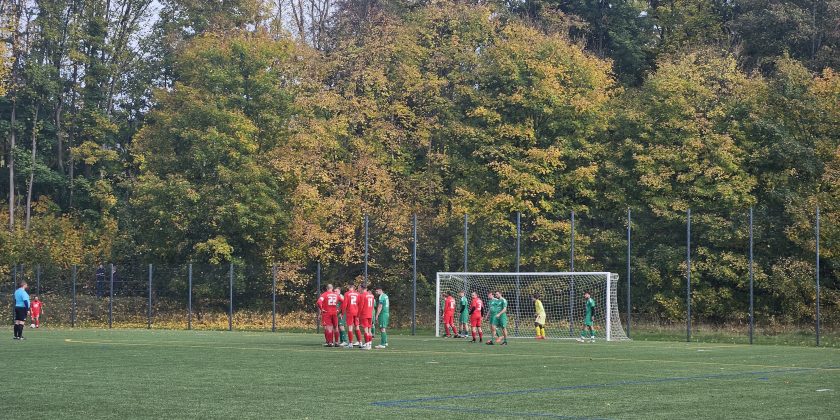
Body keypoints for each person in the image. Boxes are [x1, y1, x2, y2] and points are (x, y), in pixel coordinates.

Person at [358, 285, 375, 350]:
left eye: (359, 288)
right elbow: (372, 305)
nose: (358, 289)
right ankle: (370, 344)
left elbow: (361, 306)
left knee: (366, 330)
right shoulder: (371, 295)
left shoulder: (362, 295)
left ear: (362, 288)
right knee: (369, 330)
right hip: (370, 314)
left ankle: (367, 345)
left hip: (364, 314)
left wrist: (358, 315)